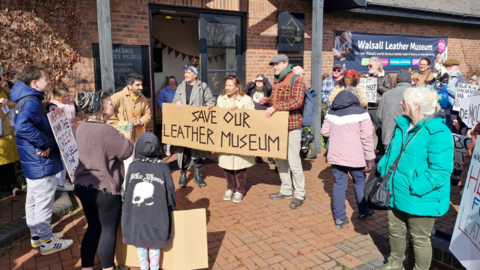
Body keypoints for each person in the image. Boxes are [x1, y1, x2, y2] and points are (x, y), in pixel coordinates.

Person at [374, 87, 453, 270]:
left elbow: (440, 171)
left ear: (416, 105)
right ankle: (395, 264)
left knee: (419, 239)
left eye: (404, 100)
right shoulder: (402, 124)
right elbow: (392, 152)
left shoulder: (438, 132)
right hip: (395, 189)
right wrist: (382, 168)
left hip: (420, 196)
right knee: (396, 231)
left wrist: (415, 187)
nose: (401, 103)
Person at [9, 65, 72, 255]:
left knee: (34, 200)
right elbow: (23, 126)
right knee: (44, 201)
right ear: (34, 83)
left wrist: (48, 107)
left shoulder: (29, 99)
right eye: (46, 78)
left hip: (32, 162)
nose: (50, 81)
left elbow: (32, 120)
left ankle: (37, 237)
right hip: (41, 162)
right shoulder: (31, 102)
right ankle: (47, 242)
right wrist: (43, 144)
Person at [75, 90, 134, 270]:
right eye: (109, 103)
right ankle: (108, 268)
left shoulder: (82, 125)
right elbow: (126, 151)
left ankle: (87, 267)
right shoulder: (106, 130)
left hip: (83, 186)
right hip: (104, 188)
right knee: (108, 229)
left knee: (93, 226)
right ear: (101, 109)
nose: (112, 106)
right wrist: (127, 136)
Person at [322, 88, 375, 229]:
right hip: (356, 155)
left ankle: (340, 218)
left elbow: (325, 132)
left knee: (339, 184)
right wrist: (370, 158)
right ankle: (363, 211)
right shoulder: (362, 113)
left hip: (336, 155)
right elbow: (367, 138)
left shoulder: (331, 112)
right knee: (360, 182)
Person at [122, 132, 176, 270]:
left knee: (141, 243)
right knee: (154, 243)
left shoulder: (133, 167)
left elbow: (127, 190)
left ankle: (144, 267)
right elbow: (170, 191)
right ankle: (154, 267)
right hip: (156, 215)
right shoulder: (163, 167)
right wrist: (172, 206)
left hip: (136, 216)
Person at [260, 54, 307, 209]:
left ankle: (300, 194)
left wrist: (275, 107)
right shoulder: (277, 80)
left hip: (292, 126)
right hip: (278, 126)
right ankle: (286, 190)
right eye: (273, 65)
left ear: (286, 63)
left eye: (277, 64)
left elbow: (297, 101)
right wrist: (267, 101)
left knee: (294, 161)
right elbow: (276, 100)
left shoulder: (296, 79)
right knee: (280, 160)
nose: (274, 67)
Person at [108, 72, 151, 191]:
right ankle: (126, 190)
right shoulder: (118, 97)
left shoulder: (142, 98)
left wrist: (141, 121)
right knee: (127, 165)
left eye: (141, 84)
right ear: (129, 86)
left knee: (138, 162)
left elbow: (147, 114)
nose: (141, 87)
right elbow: (107, 114)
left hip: (138, 137)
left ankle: (135, 186)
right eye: (138, 85)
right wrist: (123, 125)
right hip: (124, 138)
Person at [173, 65, 215, 188]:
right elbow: (174, 102)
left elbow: (211, 100)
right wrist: (176, 102)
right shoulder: (180, 87)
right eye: (185, 72)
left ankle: (197, 174)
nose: (186, 75)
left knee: (198, 149)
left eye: (189, 73)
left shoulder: (202, 86)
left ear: (195, 75)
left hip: (198, 124)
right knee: (184, 150)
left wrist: (210, 104)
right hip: (184, 124)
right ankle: (183, 173)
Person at [217, 75, 256, 203]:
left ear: (237, 87)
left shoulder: (246, 100)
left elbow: (253, 117)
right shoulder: (221, 99)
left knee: (239, 164)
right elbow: (217, 116)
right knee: (227, 163)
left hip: (241, 137)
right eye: (226, 85)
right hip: (226, 137)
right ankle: (230, 188)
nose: (227, 88)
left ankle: (240, 190)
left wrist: (240, 112)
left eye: (230, 85)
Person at [47, 86, 76, 192]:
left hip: (71, 134)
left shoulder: (71, 104)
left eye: (68, 95)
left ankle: (65, 178)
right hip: (60, 136)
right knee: (61, 157)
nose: (68, 98)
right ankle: (59, 180)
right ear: (57, 97)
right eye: (65, 97)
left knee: (68, 156)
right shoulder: (55, 106)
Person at [365, 57, 392, 160]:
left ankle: (380, 153)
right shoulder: (365, 76)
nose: (368, 67)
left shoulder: (385, 76)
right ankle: (367, 152)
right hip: (367, 107)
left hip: (378, 107)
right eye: (368, 65)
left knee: (379, 131)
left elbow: (388, 92)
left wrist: (376, 84)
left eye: (370, 65)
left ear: (378, 66)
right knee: (365, 131)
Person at [377, 70, 412, 147]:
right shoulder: (416, 94)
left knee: (391, 158)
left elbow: (379, 116)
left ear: (397, 80)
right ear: (410, 80)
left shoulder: (386, 94)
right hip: (410, 137)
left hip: (389, 137)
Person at [0, 66, 21, 195]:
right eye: (3, 76)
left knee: (8, 162)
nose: (5, 79)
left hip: (5, 130)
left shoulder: (3, 89)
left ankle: (12, 185)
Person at [243, 74, 273, 164]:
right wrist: (253, 81)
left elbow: (270, 87)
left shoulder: (266, 91)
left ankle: (270, 155)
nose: (259, 83)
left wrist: (264, 79)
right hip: (254, 116)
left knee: (266, 135)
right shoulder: (252, 90)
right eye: (258, 81)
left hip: (264, 116)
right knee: (256, 135)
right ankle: (258, 155)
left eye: (261, 81)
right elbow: (244, 90)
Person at [439, 59, 467, 132]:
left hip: (450, 113)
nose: (447, 67)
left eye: (450, 66)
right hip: (438, 111)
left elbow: (459, 95)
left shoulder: (461, 78)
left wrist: (447, 83)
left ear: (456, 67)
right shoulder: (441, 76)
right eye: (446, 66)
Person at [157, 76, 178, 156]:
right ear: (168, 83)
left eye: (173, 82)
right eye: (170, 82)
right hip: (168, 114)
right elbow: (159, 101)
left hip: (178, 113)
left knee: (176, 129)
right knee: (168, 130)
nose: (172, 83)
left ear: (175, 83)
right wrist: (164, 109)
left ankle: (177, 146)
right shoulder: (163, 91)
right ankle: (167, 146)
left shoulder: (179, 90)